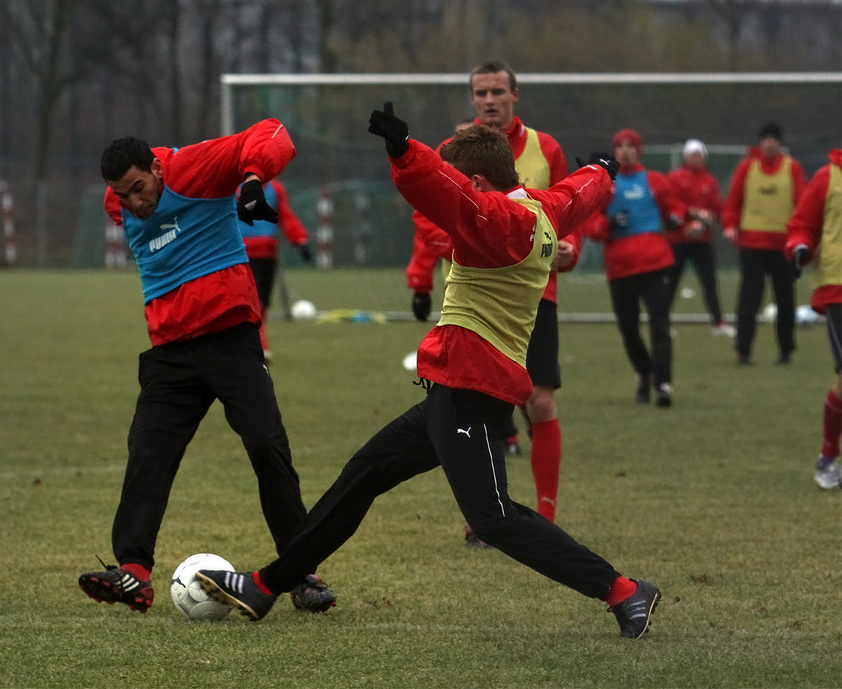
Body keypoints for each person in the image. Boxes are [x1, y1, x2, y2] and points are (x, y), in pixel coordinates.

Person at [196, 107, 662, 641]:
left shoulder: (500, 222)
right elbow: (577, 192)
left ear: (481, 182)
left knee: (494, 519)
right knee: (364, 474)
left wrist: (404, 150)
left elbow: (444, 193)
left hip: (472, 391)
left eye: (467, 183)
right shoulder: (539, 208)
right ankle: (265, 584)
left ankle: (625, 592)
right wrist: (603, 169)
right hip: (457, 389)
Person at [77, 122, 335, 615]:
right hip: (170, 353)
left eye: (139, 188)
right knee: (147, 450)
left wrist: (255, 180)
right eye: (121, 195)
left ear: (156, 168)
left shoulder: (193, 167)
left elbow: (275, 133)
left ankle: (301, 572)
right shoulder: (118, 205)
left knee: (266, 443)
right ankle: (133, 572)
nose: (133, 203)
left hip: (230, 341)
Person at [406, 61, 573, 526]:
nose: (489, 100)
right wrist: (430, 267)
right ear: (472, 98)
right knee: (479, 407)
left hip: (536, 297)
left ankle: (545, 516)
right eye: (481, 93)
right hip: (473, 304)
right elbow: (426, 219)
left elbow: (567, 213)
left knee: (539, 401)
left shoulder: (547, 150)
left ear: (515, 95)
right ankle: (486, 514)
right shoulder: (452, 151)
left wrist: (569, 248)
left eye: (498, 91)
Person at [583, 128, 685, 407]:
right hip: (621, 268)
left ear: (640, 150)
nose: (625, 150)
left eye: (630, 145)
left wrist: (677, 218)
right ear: (614, 151)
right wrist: (610, 224)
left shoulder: (654, 181)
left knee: (659, 326)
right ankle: (646, 372)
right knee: (629, 330)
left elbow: (674, 207)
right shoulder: (606, 185)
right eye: (620, 146)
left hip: (655, 265)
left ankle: (664, 384)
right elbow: (589, 224)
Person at [722, 122, 807, 365]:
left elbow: (803, 203)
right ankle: (743, 350)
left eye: (774, 139)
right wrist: (730, 225)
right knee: (749, 300)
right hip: (752, 244)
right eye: (766, 139)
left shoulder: (792, 168)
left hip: (783, 245)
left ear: (780, 144)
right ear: (760, 143)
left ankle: (786, 350)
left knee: (785, 300)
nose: (769, 143)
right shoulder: (747, 168)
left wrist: (801, 235)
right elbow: (733, 201)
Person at [784, 148, 842, 489]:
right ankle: (828, 455)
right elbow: (802, 224)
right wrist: (800, 247)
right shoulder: (827, 176)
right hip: (838, 288)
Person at [665, 139, 734, 336]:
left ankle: (718, 323)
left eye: (699, 155)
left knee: (709, 282)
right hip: (679, 239)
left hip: (701, 240)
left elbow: (715, 209)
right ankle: (663, 321)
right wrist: (692, 215)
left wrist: (706, 221)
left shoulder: (709, 180)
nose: (696, 158)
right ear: (686, 157)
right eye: (693, 154)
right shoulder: (676, 177)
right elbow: (671, 204)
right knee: (671, 281)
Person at [237, 178, 311, 359]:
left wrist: (299, 241)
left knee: (263, 304)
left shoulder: (275, 188)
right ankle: (258, 346)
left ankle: (256, 345)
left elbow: (285, 216)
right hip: (242, 253)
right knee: (253, 302)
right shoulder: (234, 188)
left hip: (268, 254)